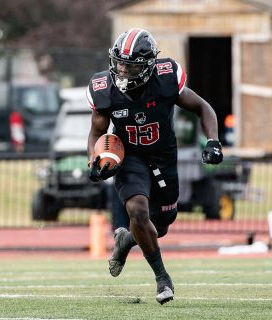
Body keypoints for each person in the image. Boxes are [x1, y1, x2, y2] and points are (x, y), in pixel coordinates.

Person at [86, 28, 223, 304]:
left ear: (148, 67)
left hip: (163, 156)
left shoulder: (165, 78)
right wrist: (94, 159)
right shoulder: (105, 90)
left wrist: (213, 141)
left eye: (131, 65)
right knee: (137, 210)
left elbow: (203, 107)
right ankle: (162, 278)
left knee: (159, 227)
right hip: (129, 157)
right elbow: (96, 133)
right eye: (119, 63)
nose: (122, 70)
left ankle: (126, 241)